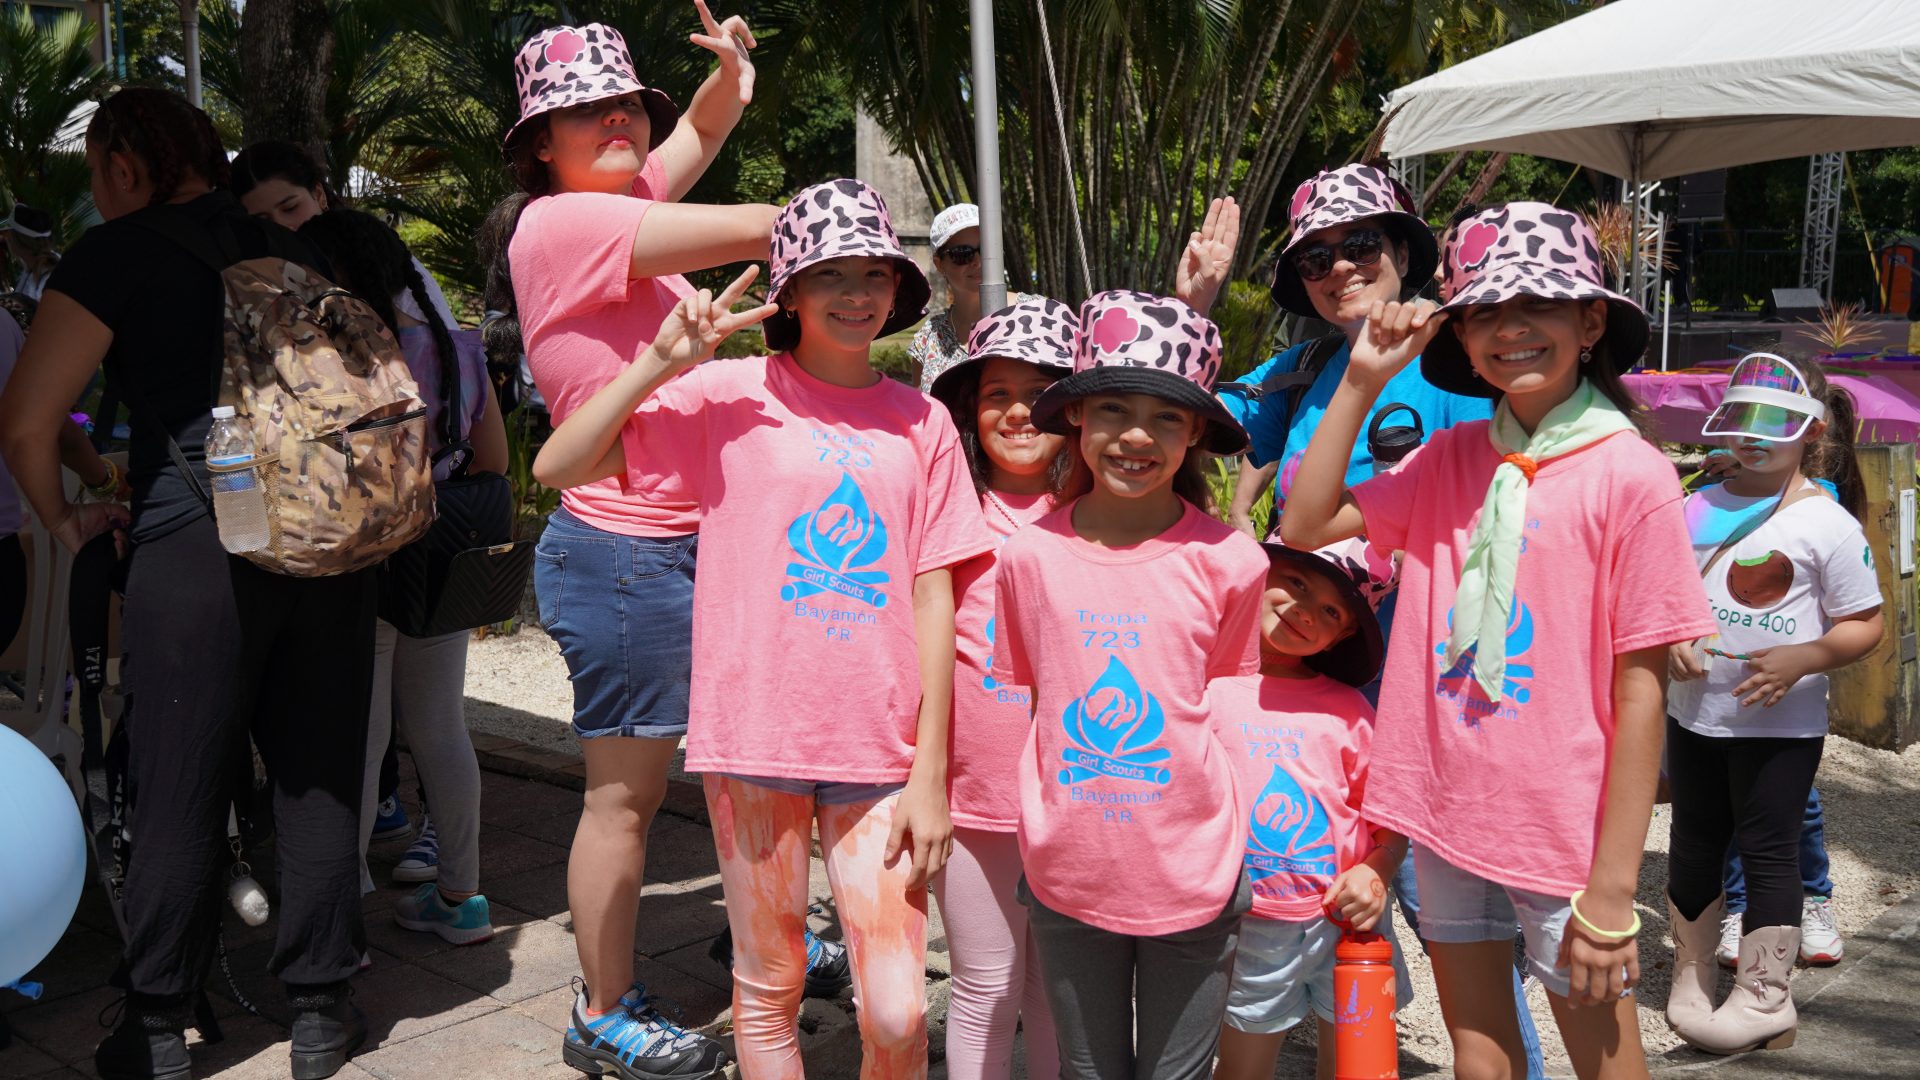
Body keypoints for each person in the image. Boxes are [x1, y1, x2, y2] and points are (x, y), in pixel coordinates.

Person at [533, 177, 993, 1079]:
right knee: (770, 981)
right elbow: (560, 464)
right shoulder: (726, 396)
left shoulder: (924, 421)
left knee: (898, 1010)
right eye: (832, 276)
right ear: (790, 292)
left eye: (875, 274)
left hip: (882, 750)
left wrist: (933, 770)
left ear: (900, 290)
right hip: (753, 739)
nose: (858, 294)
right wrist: (660, 363)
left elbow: (936, 593)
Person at [480, 13, 858, 1076]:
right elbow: (749, 225)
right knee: (625, 798)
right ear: (539, 145)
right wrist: (836, 228)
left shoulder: (618, 203)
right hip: (627, 552)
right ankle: (602, 1011)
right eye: (579, 113)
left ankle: (762, 933)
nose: (612, 122)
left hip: (701, 545)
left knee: (746, 767)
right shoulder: (563, 226)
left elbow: (689, 140)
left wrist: (732, 78)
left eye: (623, 107)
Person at [1282, 202, 1718, 1080]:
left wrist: (1610, 890)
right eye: (1483, 311)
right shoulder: (1448, 456)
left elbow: (1642, 692)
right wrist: (1362, 381)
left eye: (1540, 307)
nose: (1510, 331)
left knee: (1606, 1060)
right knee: (1480, 1050)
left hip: (1560, 825)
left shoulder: (1630, 473)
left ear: (1591, 320)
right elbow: (1304, 523)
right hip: (1444, 806)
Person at [0, 87, 377, 1080]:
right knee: (318, 768)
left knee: (176, 778)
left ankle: (159, 1022)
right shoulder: (294, 249)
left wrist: (67, 517)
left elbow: (28, 425)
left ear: (123, 166)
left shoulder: (112, 259)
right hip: (329, 536)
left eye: (97, 171)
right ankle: (322, 1011)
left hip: (197, 543)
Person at [1185, 170, 1543, 1075]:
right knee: (1356, 922)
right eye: (1314, 257)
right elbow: (1166, 424)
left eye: (1359, 246)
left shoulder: (1462, 360)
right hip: (1321, 695)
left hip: (1435, 700)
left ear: (1406, 251)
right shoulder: (1299, 373)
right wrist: (1189, 304)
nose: (1337, 267)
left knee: (1464, 937)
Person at [991, 289, 1267, 1078]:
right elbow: (1043, 700)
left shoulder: (1232, 563)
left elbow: (1226, 710)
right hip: (1067, 867)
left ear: (1197, 435)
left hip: (1198, 870)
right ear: (1077, 418)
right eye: (1112, 407)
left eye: (1169, 417)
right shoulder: (1027, 557)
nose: (1137, 435)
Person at [297, 207, 508, 944]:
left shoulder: (349, 350)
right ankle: (463, 897)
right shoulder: (457, 346)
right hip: (442, 550)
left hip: (365, 554)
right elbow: (497, 460)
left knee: (360, 727)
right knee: (442, 725)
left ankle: (341, 903)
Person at [1663, 354, 1882, 1055]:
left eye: (1775, 426)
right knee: (1693, 843)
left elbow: (1865, 623)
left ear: (1811, 432)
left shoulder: (1828, 524)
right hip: (1694, 714)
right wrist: (1673, 637)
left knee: (1768, 852)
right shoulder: (1693, 504)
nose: (1753, 439)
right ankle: (1690, 975)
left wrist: (1806, 657)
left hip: (1780, 729)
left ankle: (1765, 997)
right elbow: (1663, 592)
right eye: (1742, 422)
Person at [922, 295, 1078, 1080]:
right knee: (985, 982)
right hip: (972, 791)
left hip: (1079, 791)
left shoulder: (1098, 510)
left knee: (1057, 989)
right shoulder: (946, 507)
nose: (1019, 412)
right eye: (996, 395)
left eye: (1041, 394)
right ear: (968, 409)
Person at [1212, 538, 1413, 1080]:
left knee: (1360, 1064)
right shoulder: (1206, 687)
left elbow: (1389, 820)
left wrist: (1377, 870)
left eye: (1330, 609)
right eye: (1297, 584)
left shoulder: (1350, 710)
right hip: (1248, 923)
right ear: (1261, 572)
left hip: (1351, 925)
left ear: (1345, 632)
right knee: (1241, 1068)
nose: (1305, 610)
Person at [909, 203, 1029, 388]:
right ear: (939, 264)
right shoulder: (928, 339)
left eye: (987, 250)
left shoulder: (1035, 314)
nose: (978, 261)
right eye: (962, 254)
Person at [2, 202, 60, 302]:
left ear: (17, 242)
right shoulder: (32, 266)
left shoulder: (48, 278)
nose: (5, 238)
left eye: (8, 234)